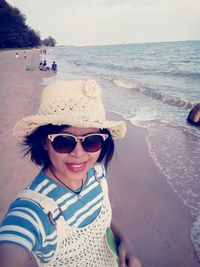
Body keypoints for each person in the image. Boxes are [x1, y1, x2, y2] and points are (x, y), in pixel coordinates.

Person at [0, 80, 141, 267]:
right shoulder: (33, 211)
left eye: (92, 141)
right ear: (44, 142)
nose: (79, 153)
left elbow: (98, 218)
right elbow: (15, 238)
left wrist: (125, 241)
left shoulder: (97, 172)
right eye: (64, 141)